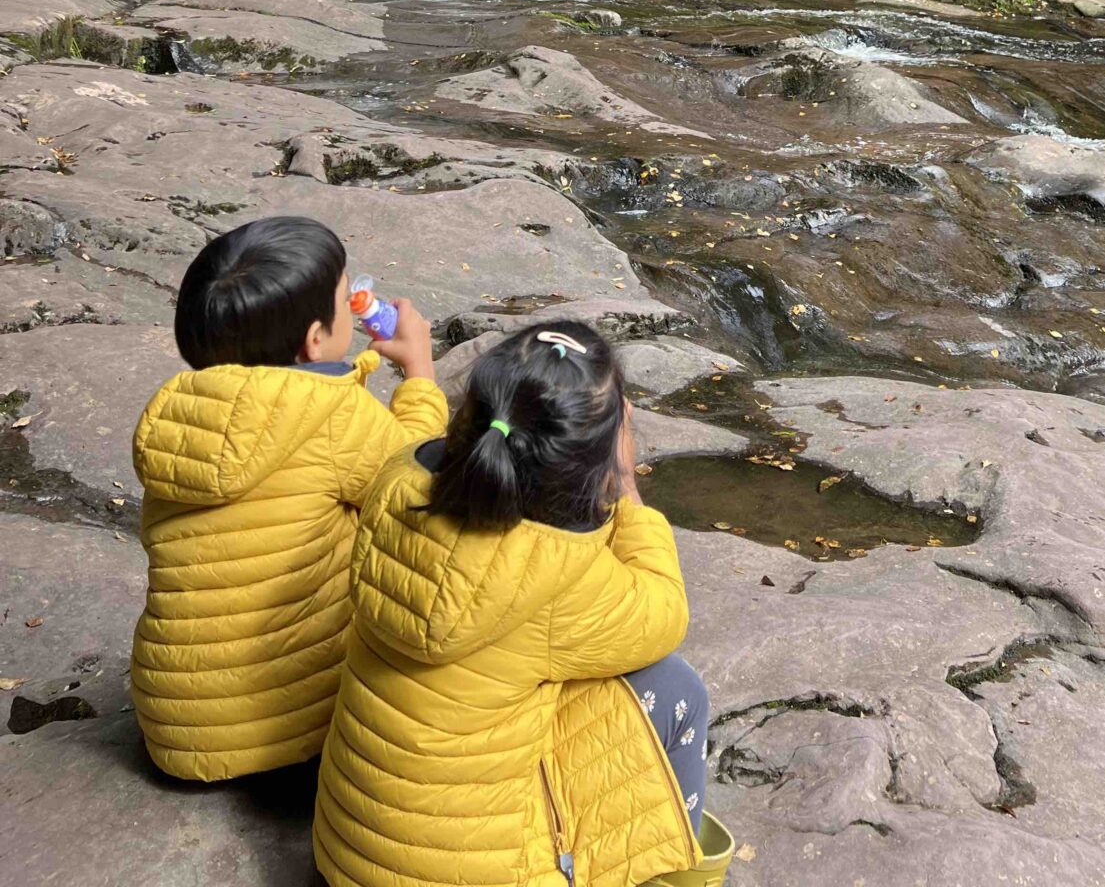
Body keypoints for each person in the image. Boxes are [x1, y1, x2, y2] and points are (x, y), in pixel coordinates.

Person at [313, 319, 726, 887]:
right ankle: (679, 875)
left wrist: (420, 375)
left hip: (349, 853)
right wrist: (627, 487)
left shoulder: (395, 482)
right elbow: (664, 613)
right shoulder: (562, 578)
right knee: (676, 689)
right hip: (483, 875)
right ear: (594, 467)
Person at [130, 215, 448, 781]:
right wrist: (419, 372)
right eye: (344, 297)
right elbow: (413, 475)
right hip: (300, 730)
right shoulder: (333, 414)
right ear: (315, 340)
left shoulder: (176, 416)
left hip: (176, 729)